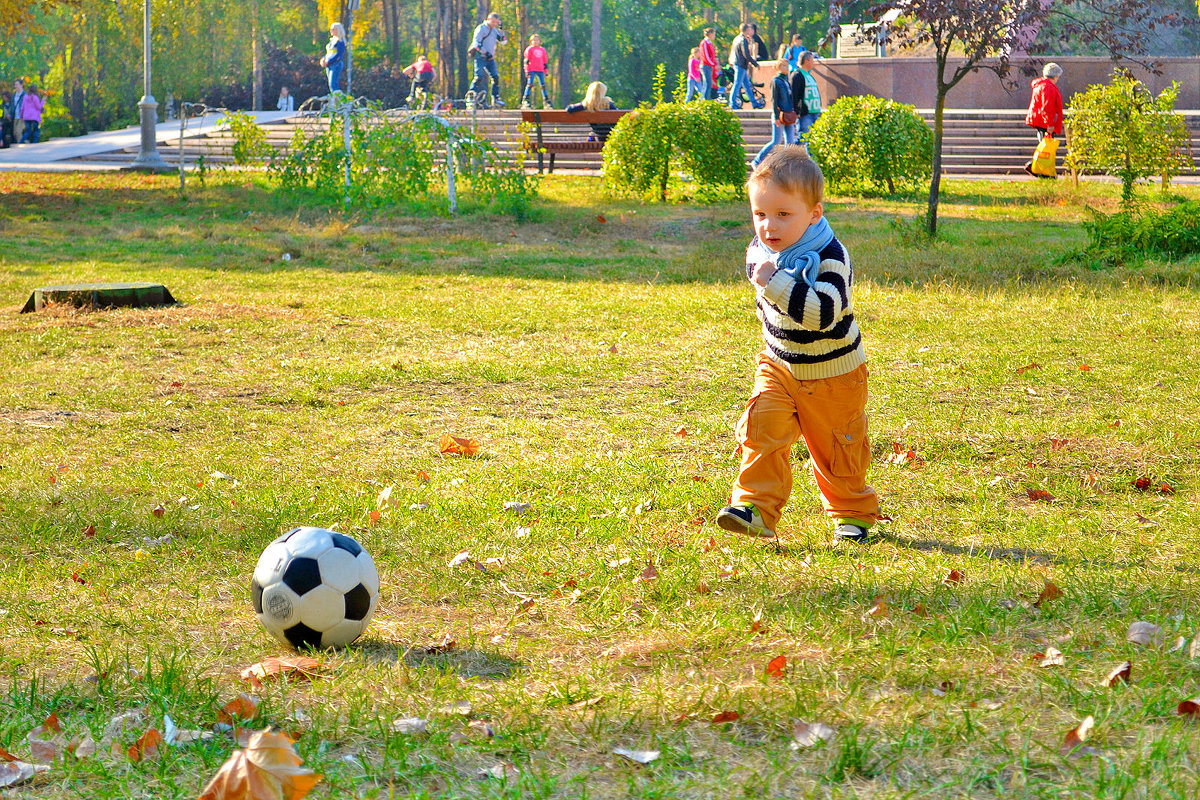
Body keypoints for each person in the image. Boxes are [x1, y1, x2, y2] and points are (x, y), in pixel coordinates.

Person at [717, 147, 879, 545]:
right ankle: (754, 508)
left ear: (814, 214)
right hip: (779, 366)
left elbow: (822, 313)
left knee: (838, 450)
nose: (768, 226)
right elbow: (767, 307)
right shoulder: (762, 253)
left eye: (783, 214)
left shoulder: (831, 256)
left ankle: (852, 513)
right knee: (761, 431)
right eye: (759, 214)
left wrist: (774, 280)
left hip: (833, 374)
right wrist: (769, 278)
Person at [752, 59, 796, 167]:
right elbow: (774, 99)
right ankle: (757, 161)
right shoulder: (776, 81)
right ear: (779, 67)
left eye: (787, 65)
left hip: (788, 115)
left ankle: (787, 164)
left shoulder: (786, 81)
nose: (787, 68)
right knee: (776, 141)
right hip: (780, 114)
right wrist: (776, 116)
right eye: (784, 66)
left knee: (790, 142)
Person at [1024, 62, 1064, 177]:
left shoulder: (1040, 85)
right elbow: (1047, 107)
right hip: (1044, 122)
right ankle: (1036, 168)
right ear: (1055, 76)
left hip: (1039, 119)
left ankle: (1043, 171)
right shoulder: (1048, 87)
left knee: (1044, 146)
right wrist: (1050, 124)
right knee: (1045, 148)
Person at [468, 12, 508, 107]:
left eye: (496, 22)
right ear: (488, 19)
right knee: (479, 76)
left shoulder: (495, 30)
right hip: (480, 56)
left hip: (490, 58)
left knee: (495, 77)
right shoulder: (481, 28)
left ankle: (496, 98)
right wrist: (485, 52)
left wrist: (501, 30)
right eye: (493, 22)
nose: (494, 24)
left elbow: (503, 41)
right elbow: (476, 43)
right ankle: (471, 96)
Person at [790, 51, 822, 150]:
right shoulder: (797, 75)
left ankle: (810, 161)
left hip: (814, 112)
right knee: (804, 138)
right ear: (807, 61)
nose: (813, 62)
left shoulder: (809, 75)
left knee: (811, 139)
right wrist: (798, 111)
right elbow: (794, 95)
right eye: (812, 60)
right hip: (805, 113)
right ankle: (787, 154)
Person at [728, 23, 763, 110]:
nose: (752, 31)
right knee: (737, 84)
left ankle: (754, 103)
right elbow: (746, 54)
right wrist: (754, 63)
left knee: (747, 85)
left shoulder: (737, 39)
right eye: (750, 29)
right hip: (741, 65)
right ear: (747, 30)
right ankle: (732, 103)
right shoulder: (743, 40)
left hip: (739, 64)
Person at [521, 34, 550, 109]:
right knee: (530, 84)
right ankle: (526, 99)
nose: (535, 42)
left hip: (540, 69)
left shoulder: (542, 50)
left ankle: (546, 100)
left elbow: (545, 61)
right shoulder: (529, 49)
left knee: (543, 85)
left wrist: (546, 70)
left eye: (537, 40)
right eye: (534, 40)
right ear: (531, 42)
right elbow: (526, 61)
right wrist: (527, 70)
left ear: (540, 41)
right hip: (532, 69)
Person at [319, 22, 347, 95]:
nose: (331, 31)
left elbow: (339, 55)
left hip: (336, 64)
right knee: (330, 85)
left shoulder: (341, 42)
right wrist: (323, 59)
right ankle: (334, 100)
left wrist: (329, 61)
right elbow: (329, 53)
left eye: (333, 29)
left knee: (333, 84)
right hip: (329, 65)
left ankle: (338, 101)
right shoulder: (331, 41)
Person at [699, 28, 720, 100]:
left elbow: (712, 56)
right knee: (707, 84)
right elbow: (706, 56)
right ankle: (704, 100)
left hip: (709, 66)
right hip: (705, 65)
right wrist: (713, 64)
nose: (714, 36)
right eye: (713, 34)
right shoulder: (704, 43)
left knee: (708, 84)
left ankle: (705, 99)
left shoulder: (710, 43)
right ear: (710, 34)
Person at [11, 79, 26, 145]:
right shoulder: (14, 95)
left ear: (21, 85)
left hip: (22, 116)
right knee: (15, 132)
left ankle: (20, 145)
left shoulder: (25, 95)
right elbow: (12, 105)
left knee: (18, 131)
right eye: (15, 85)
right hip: (15, 116)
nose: (15, 86)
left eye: (17, 84)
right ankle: (23, 143)